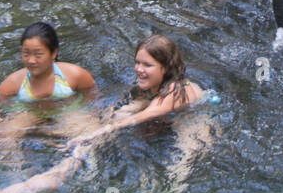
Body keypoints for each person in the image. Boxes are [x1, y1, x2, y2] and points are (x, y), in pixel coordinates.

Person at [66, 35, 210, 150]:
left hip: (193, 116)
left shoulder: (174, 90)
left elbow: (145, 115)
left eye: (147, 65)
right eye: (137, 62)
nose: (139, 69)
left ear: (165, 68)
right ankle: (83, 148)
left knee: (185, 160)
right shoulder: (151, 84)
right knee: (118, 115)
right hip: (161, 106)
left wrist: (98, 133)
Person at [0, 22, 97, 146]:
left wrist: (94, 115)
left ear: (53, 53)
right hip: (30, 113)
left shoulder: (76, 75)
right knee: (2, 137)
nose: (31, 60)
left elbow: (94, 98)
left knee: (92, 134)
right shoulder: (14, 81)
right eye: (26, 54)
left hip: (67, 111)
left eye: (38, 55)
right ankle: (16, 164)